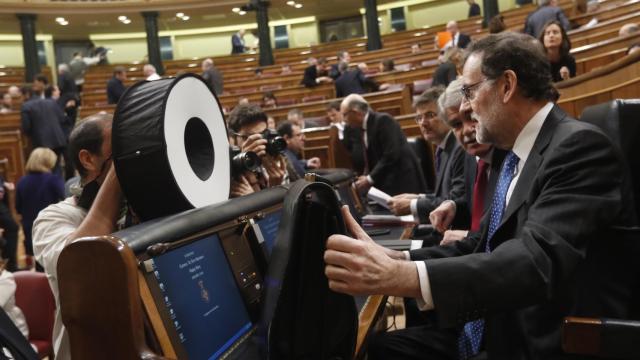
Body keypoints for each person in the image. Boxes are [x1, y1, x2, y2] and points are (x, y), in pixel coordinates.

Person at [323, 32, 638, 360]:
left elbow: (534, 262)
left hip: (544, 342)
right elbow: (480, 243)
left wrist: (402, 277)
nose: (464, 106)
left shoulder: (578, 147)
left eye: (470, 91)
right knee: (378, 348)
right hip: (500, 324)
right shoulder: (517, 153)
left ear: (506, 85)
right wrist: (398, 259)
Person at [33, 113, 122, 360]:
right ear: (88, 159)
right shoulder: (54, 217)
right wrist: (117, 175)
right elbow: (79, 263)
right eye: (120, 146)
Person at [427, 79, 504, 245]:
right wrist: (454, 206)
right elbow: (477, 209)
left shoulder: (510, 157)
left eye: (472, 117)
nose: (467, 130)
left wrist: (467, 236)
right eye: (456, 124)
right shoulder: (469, 157)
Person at [386, 87, 465, 223]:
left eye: (430, 115)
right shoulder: (443, 149)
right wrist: (417, 198)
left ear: (446, 115)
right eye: (419, 118)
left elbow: (456, 200)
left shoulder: (460, 147)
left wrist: (412, 205)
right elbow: (444, 196)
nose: (423, 123)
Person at [340, 94, 426, 196]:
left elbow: (391, 155)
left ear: (356, 112)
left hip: (402, 183)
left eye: (345, 115)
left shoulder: (383, 120)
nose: (344, 120)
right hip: (386, 182)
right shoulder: (360, 128)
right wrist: (367, 176)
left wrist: (370, 179)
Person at [16, 148, 65, 270]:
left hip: (30, 228)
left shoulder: (22, 181)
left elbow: (18, 207)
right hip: (50, 225)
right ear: (48, 162)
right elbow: (65, 199)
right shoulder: (53, 180)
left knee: (39, 263)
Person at [227, 104, 291, 197]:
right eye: (248, 138)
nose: (258, 144)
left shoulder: (275, 162)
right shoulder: (228, 172)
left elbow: (285, 208)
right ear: (233, 138)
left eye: (262, 135)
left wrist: (274, 189)